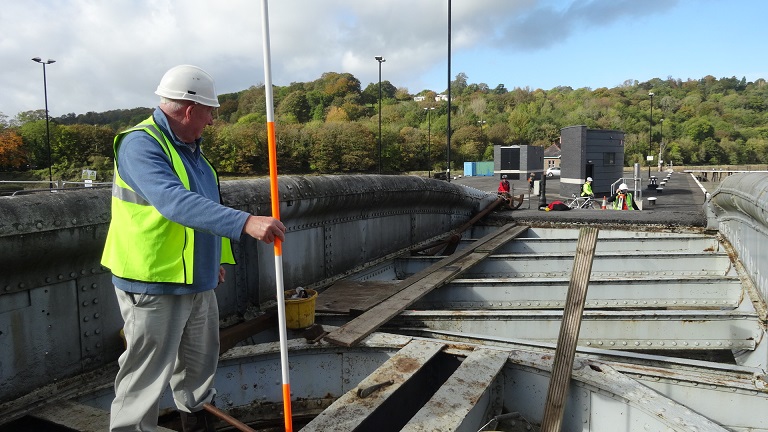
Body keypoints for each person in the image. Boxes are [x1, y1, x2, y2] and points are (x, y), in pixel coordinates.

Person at [101, 65, 286, 432]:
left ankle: (197, 421)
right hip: (151, 280)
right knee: (145, 375)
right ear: (189, 110)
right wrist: (245, 221)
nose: (212, 121)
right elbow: (174, 202)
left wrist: (212, 259)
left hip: (195, 279)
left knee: (198, 366)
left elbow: (201, 205)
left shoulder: (190, 149)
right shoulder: (141, 143)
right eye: (209, 112)